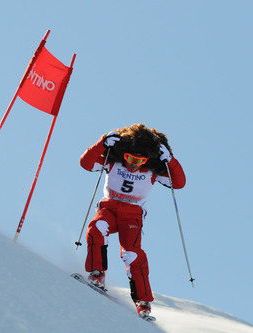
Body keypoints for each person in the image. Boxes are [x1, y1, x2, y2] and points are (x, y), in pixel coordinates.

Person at [79, 123, 186, 319]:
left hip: (132, 214)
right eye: (130, 158)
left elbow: (178, 183)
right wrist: (102, 144)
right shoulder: (114, 162)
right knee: (96, 229)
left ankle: (142, 301)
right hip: (110, 206)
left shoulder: (151, 172)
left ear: (148, 160)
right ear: (124, 154)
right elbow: (86, 163)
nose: (134, 163)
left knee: (131, 253)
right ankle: (97, 273)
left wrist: (170, 161)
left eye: (140, 160)